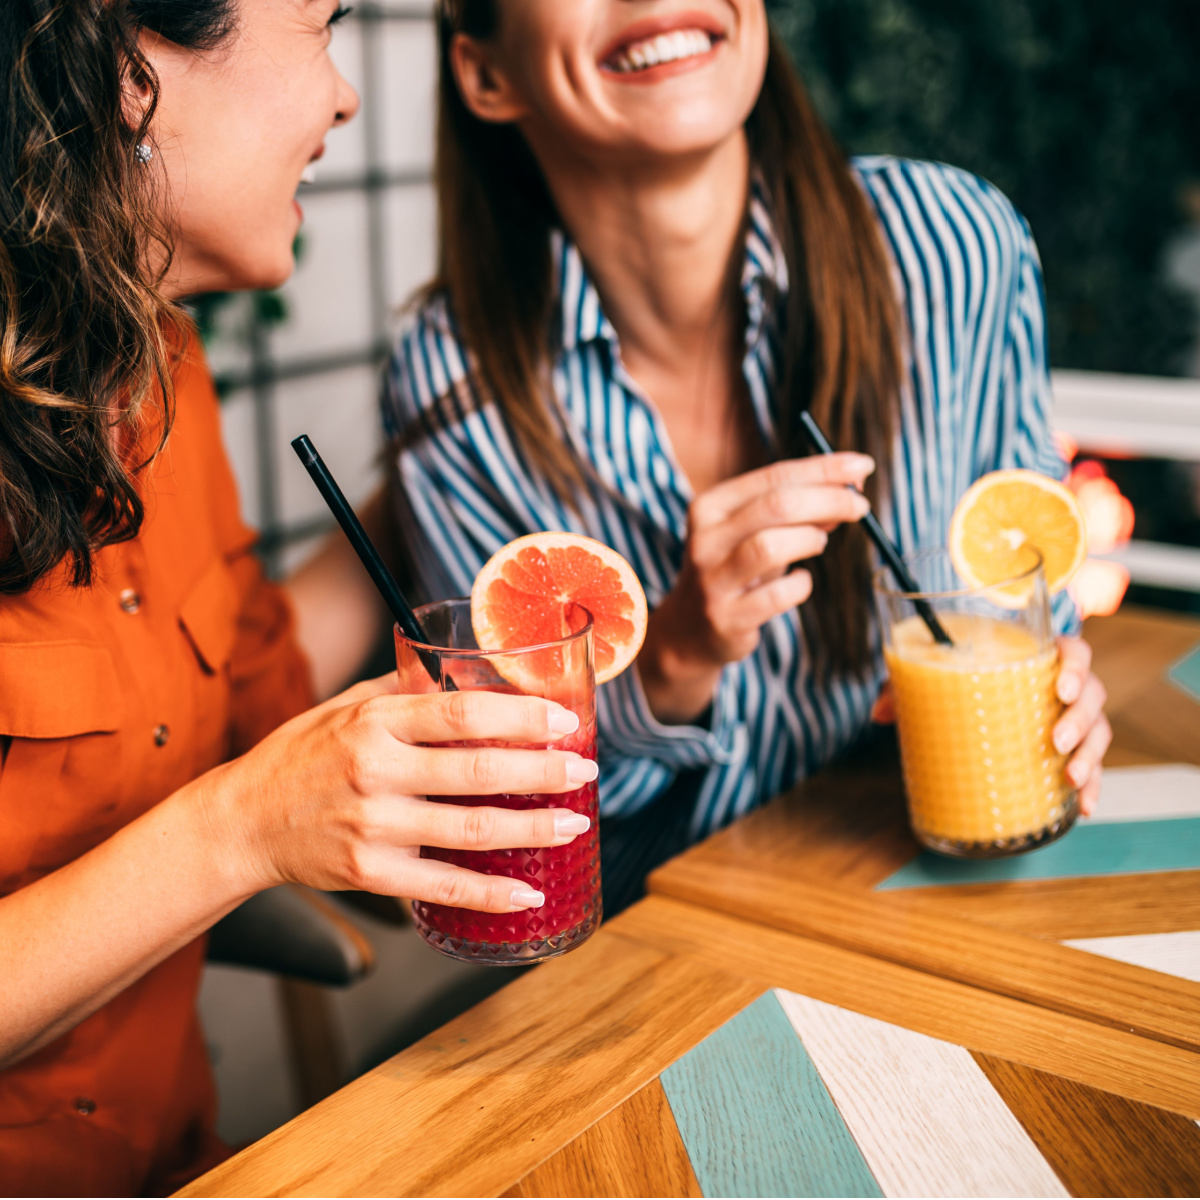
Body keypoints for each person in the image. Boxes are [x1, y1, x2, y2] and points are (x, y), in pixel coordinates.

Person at [0, 2, 594, 1193]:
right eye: (321, 26)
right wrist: (244, 827)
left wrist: (454, 454)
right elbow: (252, 795)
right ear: (127, 68)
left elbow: (257, 683)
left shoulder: (156, 369)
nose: (346, 97)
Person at [365, 0, 1112, 913]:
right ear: (486, 74)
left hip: (944, 880)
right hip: (662, 951)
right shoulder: (453, 382)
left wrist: (1057, 682)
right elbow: (521, 806)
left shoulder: (954, 246)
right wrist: (672, 655)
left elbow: (1023, 583)